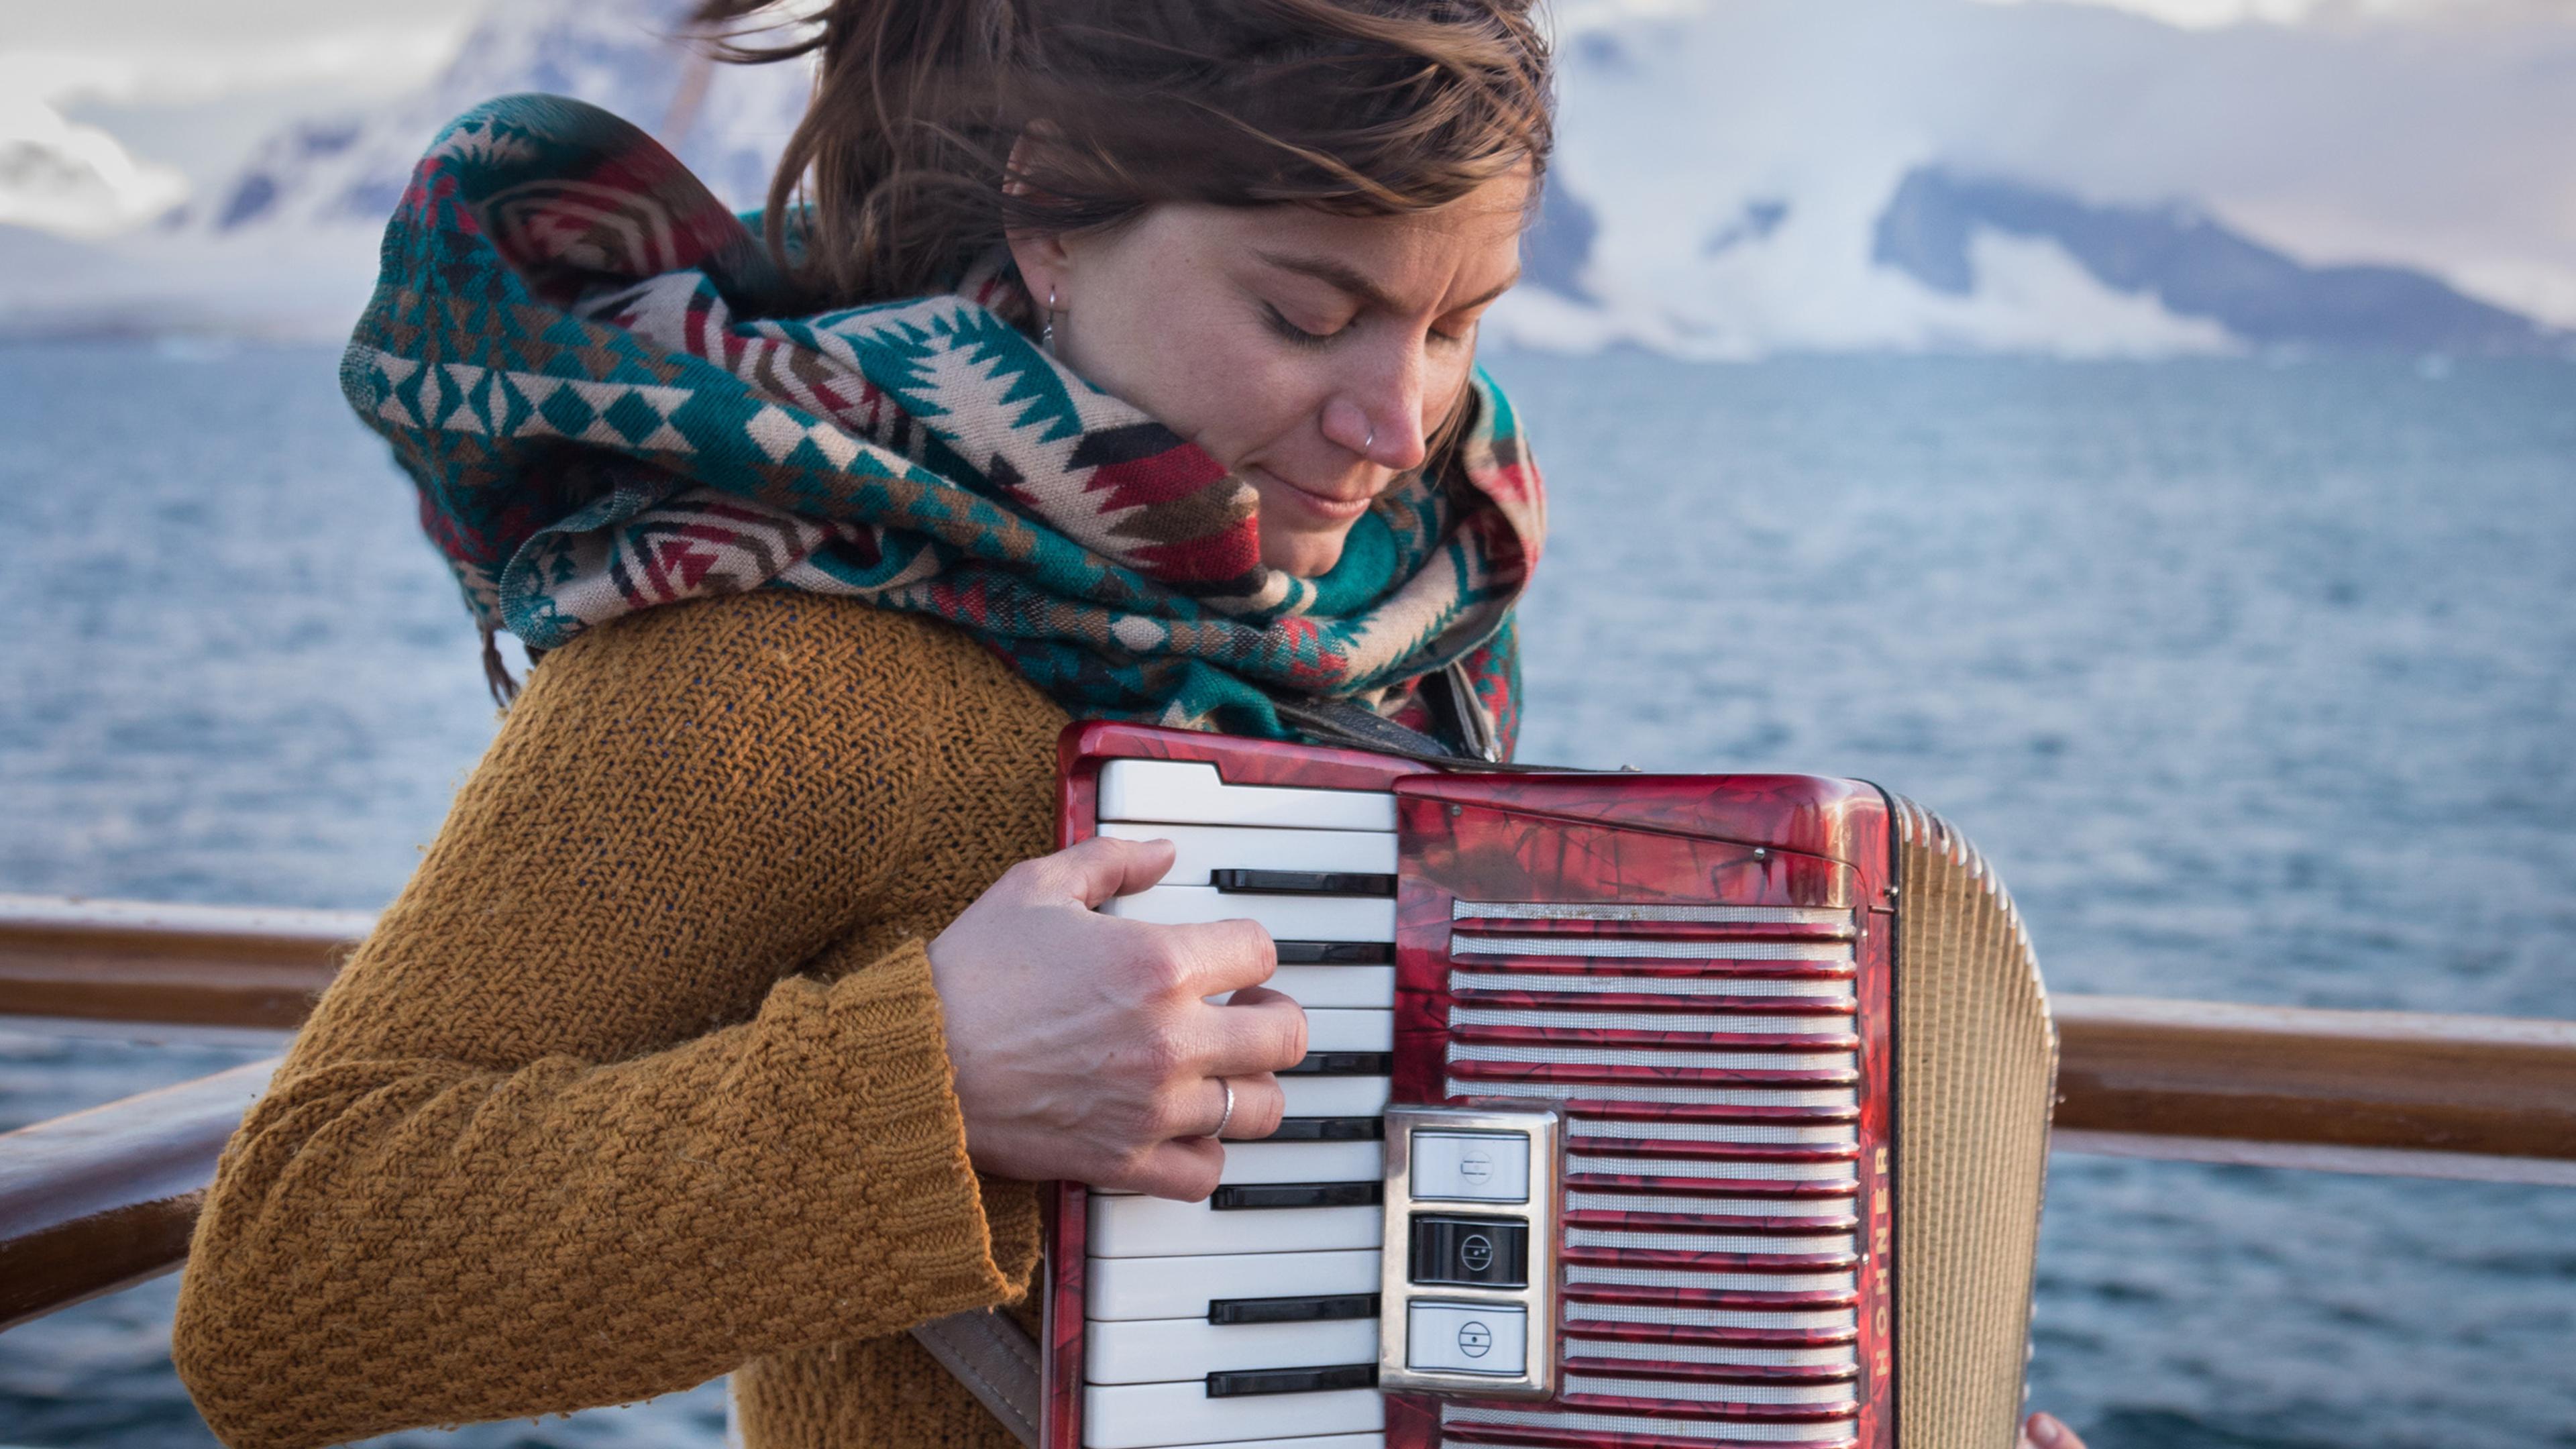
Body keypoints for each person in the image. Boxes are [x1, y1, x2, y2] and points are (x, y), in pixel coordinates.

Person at [168, 4, 2088, 1448]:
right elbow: (283, 1287)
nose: (1395, 419)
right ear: (1057, 229)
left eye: (1456, 324)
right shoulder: (775, 657)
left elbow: (1426, 1246)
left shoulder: (1394, 623)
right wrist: (929, 1091)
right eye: (1308, 311)